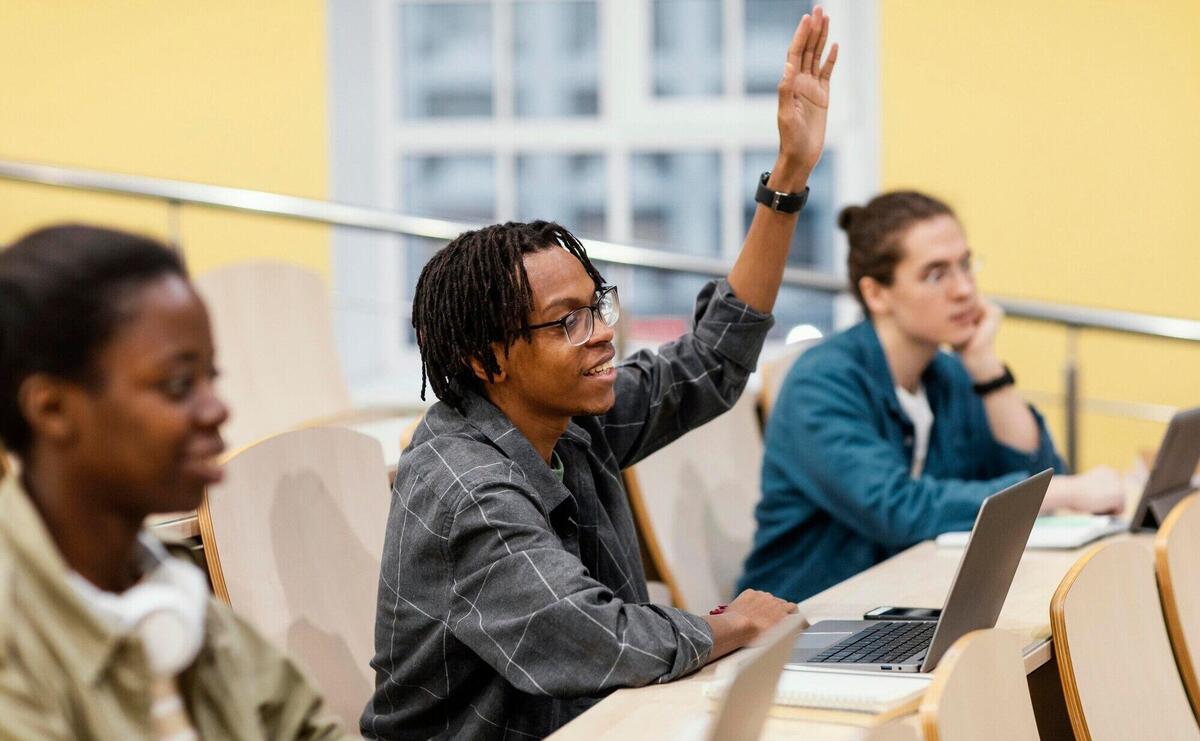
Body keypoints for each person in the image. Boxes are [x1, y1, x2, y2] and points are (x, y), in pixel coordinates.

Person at [361, 9, 838, 740]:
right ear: (488, 359)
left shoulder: (567, 418)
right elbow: (600, 637)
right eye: (567, 321)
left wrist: (789, 177)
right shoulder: (469, 491)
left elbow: (712, 359)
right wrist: (731, 622)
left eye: (598, 306)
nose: (602, 333)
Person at [0, 225, 344, 739]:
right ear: (52, 409)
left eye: (212, 377)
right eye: (179, 384)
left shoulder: (171, 586)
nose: (217, 408)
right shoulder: (14, 636)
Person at [738, 191, 1127, 602]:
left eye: (965, 265)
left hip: (907, 602)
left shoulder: (947, 375)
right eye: (936, 274)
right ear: (876, 294)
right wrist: (1059, 493)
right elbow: (897, 509)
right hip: (805, 617)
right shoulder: (821, 383)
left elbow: (1040, 474)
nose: (964, 290)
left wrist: (987, 370)